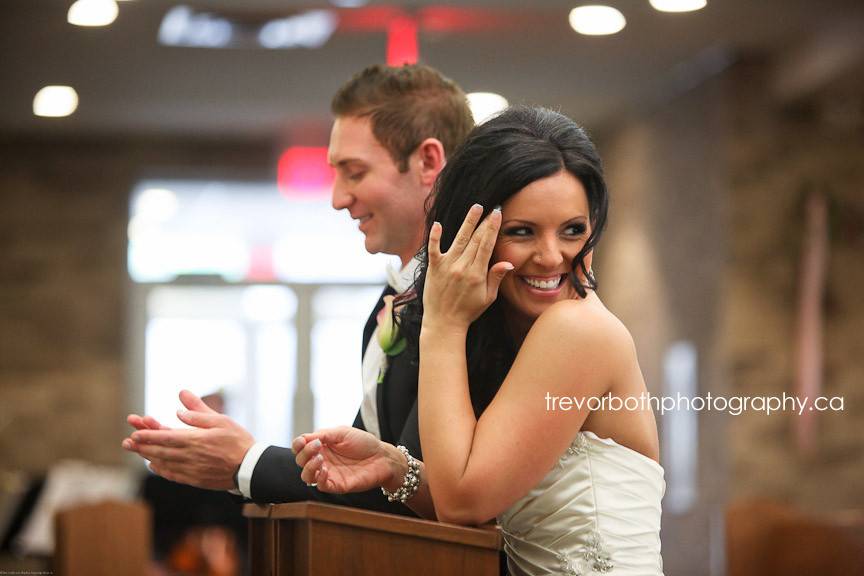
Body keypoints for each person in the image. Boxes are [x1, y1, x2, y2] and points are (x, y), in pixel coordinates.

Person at [293, 106, 665, 575]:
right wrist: (393, 465)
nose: (552, 256)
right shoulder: (513, 332)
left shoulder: (578, 329)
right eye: (522, 232)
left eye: (572, 230)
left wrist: (444, 325)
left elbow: (462, 503)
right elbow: (484, 502)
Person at [122, 63, 474, 514]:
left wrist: (245, 462)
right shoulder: (391, 300)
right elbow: (367, 472)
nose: (337, 198)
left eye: (354, 171)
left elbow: (410, 484)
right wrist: (237, 463)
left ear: (427, 161)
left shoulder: (470, 298)